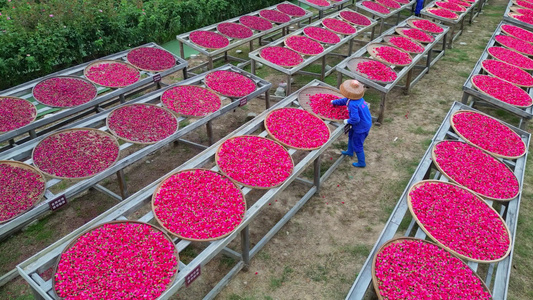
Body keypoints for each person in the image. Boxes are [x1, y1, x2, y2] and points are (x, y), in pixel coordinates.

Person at [331, 80, 372, 168]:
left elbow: (356, 119)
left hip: (361, 127)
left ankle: (361, 163)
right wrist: (334, 102)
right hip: (364, 122)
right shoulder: (356, 98)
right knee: (351, 136)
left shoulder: (353, 104)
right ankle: (350, 151)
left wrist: (348, 121)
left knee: (358, 144)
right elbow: (344, 100)